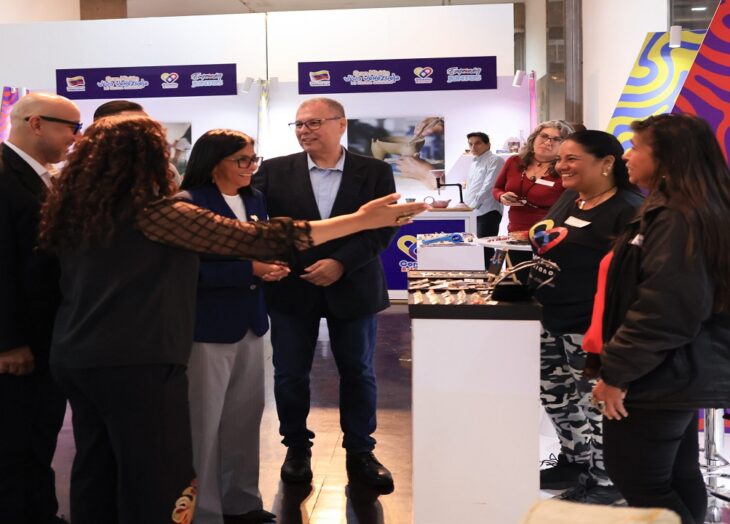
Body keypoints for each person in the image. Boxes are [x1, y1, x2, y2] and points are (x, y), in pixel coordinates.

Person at [38, 114, 425, 524]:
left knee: (95, 463)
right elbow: (261, 239)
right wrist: (363, 219)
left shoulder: (74, 208)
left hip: (76, 353)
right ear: (146, 158)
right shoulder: (156, 212)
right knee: (151, 471)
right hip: (137, 357)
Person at [590, 114, 730, 524]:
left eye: (636, 148)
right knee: (674, 475)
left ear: (667, 158)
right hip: (675, 369)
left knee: (640, 480)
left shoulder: (678, 217)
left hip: (660, 373)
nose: (626, 156)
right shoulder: (684, 208)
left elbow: (665, 310)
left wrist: (617, 373)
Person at [254, 97, 397, 493]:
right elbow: (261, 227)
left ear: (341, 124)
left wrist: (341, 263)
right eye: (299, 124)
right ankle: (296, 448)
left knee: (358, 371)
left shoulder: (375, 171)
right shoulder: (274, 170)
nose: (305, 131)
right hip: (292, 286)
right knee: (289, 373)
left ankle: (360, 451)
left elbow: (383, 227)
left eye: (314, 123)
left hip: (353, 284)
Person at [529, 130, 643, 504]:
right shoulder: (570, 198)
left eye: (571, 159)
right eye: (559, 159)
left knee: (594, 405)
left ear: (606, 163)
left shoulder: (628, 210)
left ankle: (607, 480)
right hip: (552, 317)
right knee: (556, 396)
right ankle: (575, 460)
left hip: (592, 326)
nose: (560, 166)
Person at [179, 130, 281, 524]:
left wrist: (270, 266)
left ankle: (242, 501)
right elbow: (188, 272)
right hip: (207, 326)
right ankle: (203, 511)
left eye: (254, 159)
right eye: (242, 159)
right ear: (213, 162)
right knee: (203, 424)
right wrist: (250, 270)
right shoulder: (189, 203)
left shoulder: (255, 199)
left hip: (251, 322)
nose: (251, 167)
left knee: (245, 416)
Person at [0, 92, 81, 524]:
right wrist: (8, 342)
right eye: (71, 127)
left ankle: (40, 512)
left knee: (38, 437)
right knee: (14, 444)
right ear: (35, 123)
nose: (75, 137)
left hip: (47, 338)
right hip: (20, 345)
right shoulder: (4, 175)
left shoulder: (43, 176)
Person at [93, 99, 183, 186]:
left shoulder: (166, 172)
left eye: (148, 125)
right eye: (135, 126)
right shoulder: (88, 172)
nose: (146, 132)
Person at [463, 131, 505, 263]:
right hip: (472, 212)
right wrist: (465, 206)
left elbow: (489, 186)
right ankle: (481, 275)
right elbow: (472, 187)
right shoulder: (474, 162)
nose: (473, 147)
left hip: (488, 211)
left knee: (486, 248)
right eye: (470, 144)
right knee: (475, 248)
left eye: (478, 143)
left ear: (488, 145)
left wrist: (471, 206)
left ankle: (490, 274)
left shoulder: (495, 160)